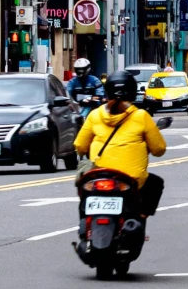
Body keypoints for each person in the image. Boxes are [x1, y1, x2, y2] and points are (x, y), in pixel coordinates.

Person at [72, 72, 167, 233]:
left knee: (85, 192)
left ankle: (85, 226)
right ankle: (140, 218)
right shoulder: (141, 116)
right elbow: (159, 149)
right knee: (155, 183)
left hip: (98, 175)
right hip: (130, 180)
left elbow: (80, 146)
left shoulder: (95, 115)